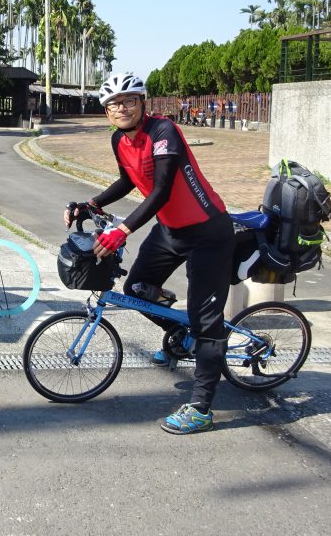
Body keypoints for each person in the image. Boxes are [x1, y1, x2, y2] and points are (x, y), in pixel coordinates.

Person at [64, 71, 235, 435]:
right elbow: (128, 180)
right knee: (137, 288)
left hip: (207, 232)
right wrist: (89, 204)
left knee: (206, 321)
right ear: (107, 112)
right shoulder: (118, 140)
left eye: (128, 100)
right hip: (170, 230)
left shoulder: (163, 132)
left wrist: (122, 230)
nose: (120, 108)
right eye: (113, 104)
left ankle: (202, 406)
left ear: (143, 102)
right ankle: (182, 334)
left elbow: (160, 190)